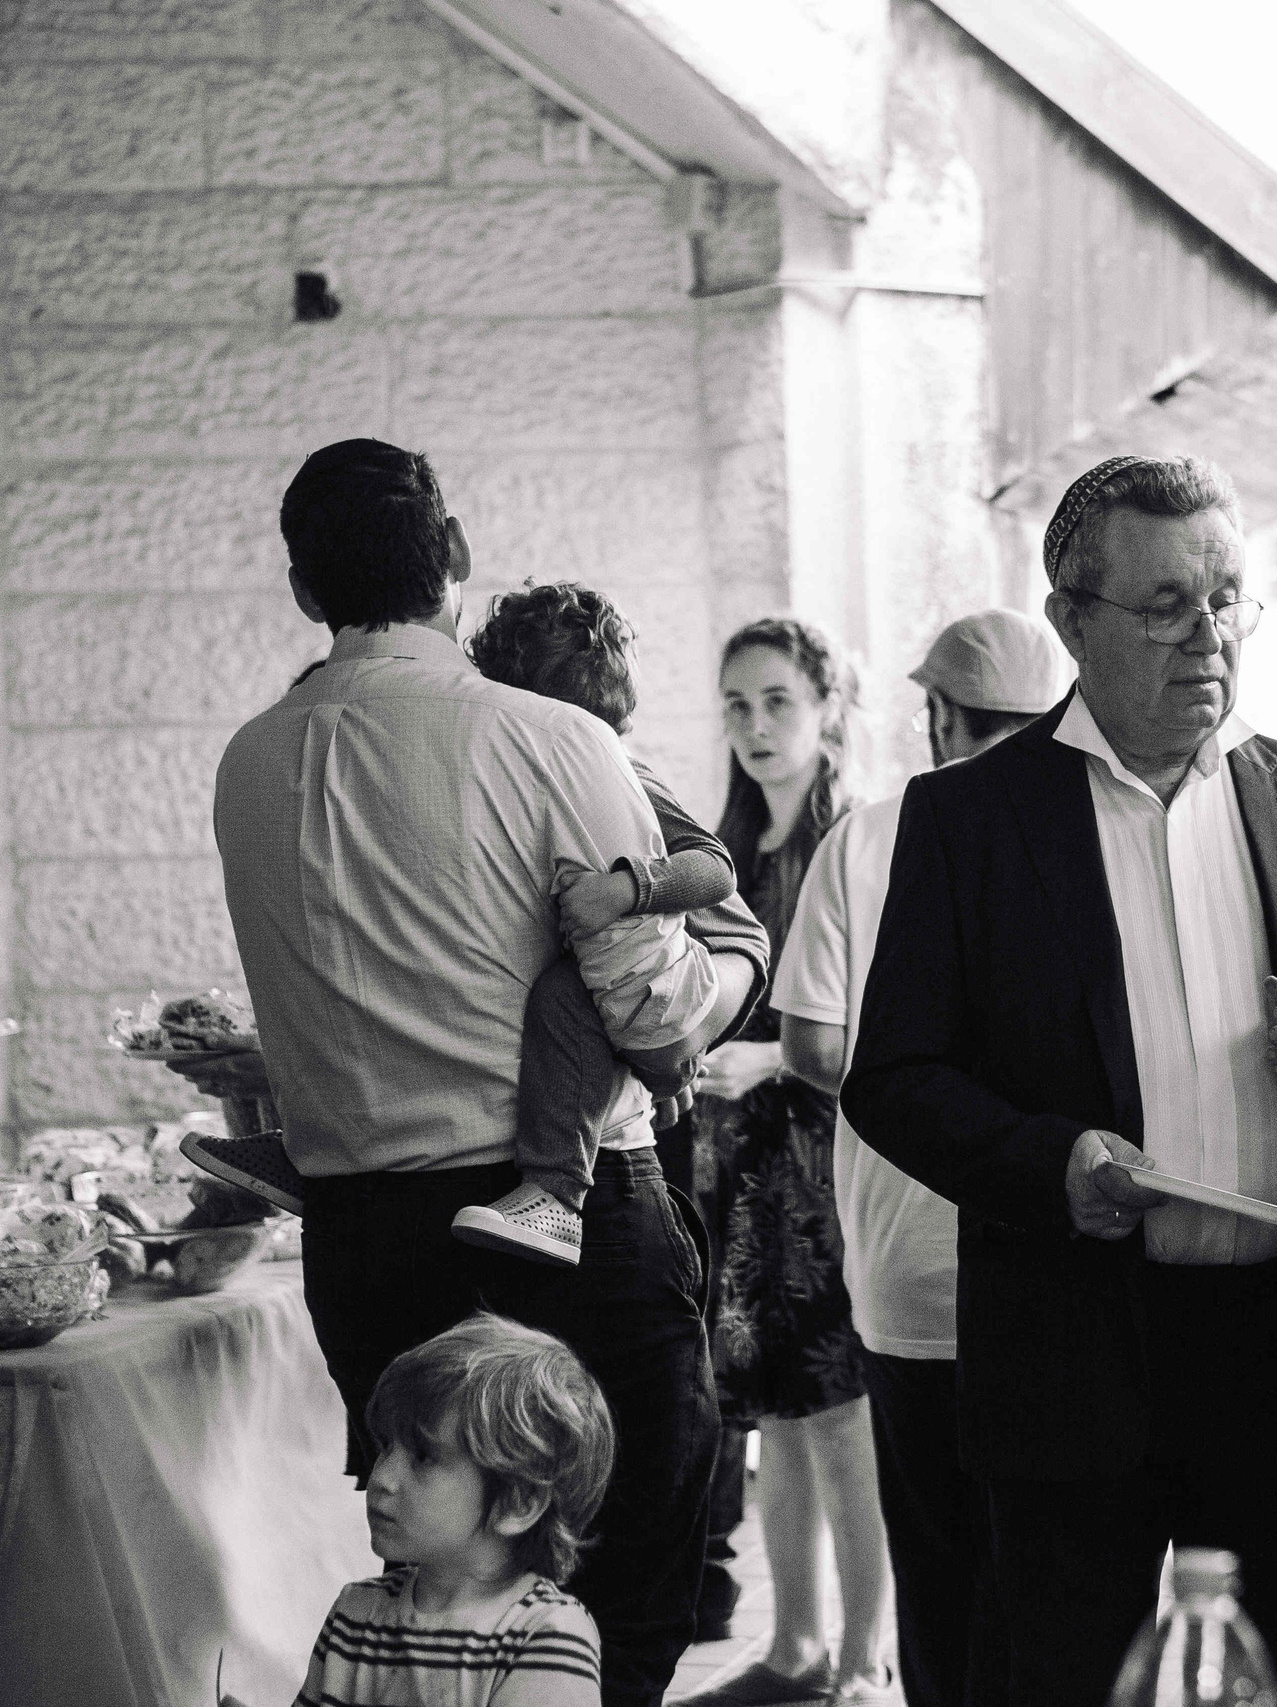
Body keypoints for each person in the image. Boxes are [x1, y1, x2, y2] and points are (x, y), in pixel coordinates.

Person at [205, 439, 762, 1707]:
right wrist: (740, 958)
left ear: (305, 592)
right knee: (617, 1601)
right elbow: (659, 1021)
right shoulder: (555, 740)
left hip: (363, 1245)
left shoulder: (247, 763)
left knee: (444, 1611)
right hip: (561, 1226)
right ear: (454, 559)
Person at [844, 455, 1277, 1707]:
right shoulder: (970, 824)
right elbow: (891, 1077)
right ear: (1070, 622)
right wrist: (1049, 1164)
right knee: (1062, 1676)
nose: (1208, 638)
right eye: (1164, 607)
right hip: (1076, 1341)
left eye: (1226, 600)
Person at [187, 581, 753, 1270]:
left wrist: (630, 890)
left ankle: (555, 1191)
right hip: (394, 1146)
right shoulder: (496, 752)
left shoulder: (611, 763)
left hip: (613, 1019)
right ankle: (298, 1148)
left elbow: (716, 877)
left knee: (561, 1001)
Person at [771, 608, 1073, 1707]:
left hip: (910, 1268)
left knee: (939, 1578)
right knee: (1055, 1581)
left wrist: (920, 1093)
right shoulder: (1089, 830)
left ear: (942, 716)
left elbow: (811, 1043)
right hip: (1063, 1258)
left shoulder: (868, 836)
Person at [676, 618, 894, 1707]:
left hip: (824, 1157)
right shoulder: (724, 849)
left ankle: (865, 1654)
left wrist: (760, 1056)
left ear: (827, 710)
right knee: (781, 1420)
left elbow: (887, 1029)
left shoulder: (855, 836)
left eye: (777, 701)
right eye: (737, 705)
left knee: (842, 1415)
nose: (756, 726)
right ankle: (797, 1644)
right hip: (743, 1167)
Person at [277, 1315, 618, 1707]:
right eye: (387, 1446)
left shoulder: (546, 1637)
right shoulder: (354, 1616)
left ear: (517, 1502)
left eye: (423, 1456)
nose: (382, 1477)